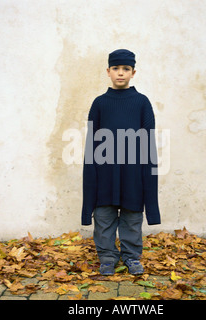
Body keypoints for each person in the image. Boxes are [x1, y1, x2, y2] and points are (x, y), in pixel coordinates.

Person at [81, 49, 161, 275]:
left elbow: (148, 144)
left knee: (132, 218)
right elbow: (91, 144)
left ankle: (131, 256)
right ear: (108, 71)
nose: (120, 73)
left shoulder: (142, 103)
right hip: (104, 173)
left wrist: (147, 175)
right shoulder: (99, 104)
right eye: (115, 68)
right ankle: (107, 257)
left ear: (133, 72)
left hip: (133, 174)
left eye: (125, 69)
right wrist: (92, 175)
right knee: (104, 218)